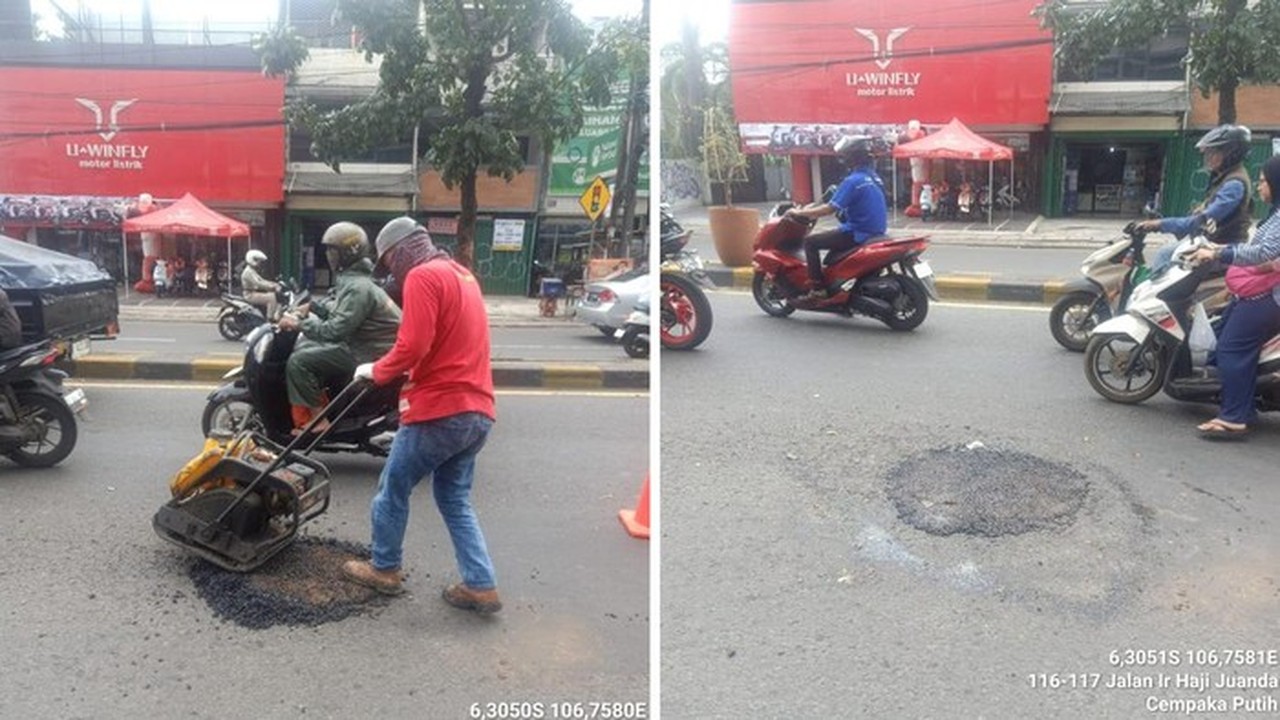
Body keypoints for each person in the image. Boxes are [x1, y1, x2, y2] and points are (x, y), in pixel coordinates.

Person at [341, 216, 500, 614]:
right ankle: (480, 584)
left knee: (392, 487)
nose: (391, 271)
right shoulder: (462, 275)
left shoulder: (423, 277)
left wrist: (375, 371)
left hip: (440, 410)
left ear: (402, 251)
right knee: (454, 497)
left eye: (390, 261)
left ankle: (384, 568)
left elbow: (413, 345)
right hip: (478, 411)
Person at [1185, 155, 1280, 439]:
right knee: (1222, 331)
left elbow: (1264, 253)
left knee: (1232, 349)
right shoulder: (1275, 214)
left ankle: (1235, 417)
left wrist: (1218, 253)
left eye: (1264, 181)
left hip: (1270, 297)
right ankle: (1238, 400)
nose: (1260, 186)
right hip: (1262, 287)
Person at [276, 222, 401, 432]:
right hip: (371, 346)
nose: (329, 256)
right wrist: (313, 307)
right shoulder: (356, 280)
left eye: (333, 251)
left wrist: (298, 323)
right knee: (307, 347)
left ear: (348, 254)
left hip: (367, 352)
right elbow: (342, 311)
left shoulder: (357, 287)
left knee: (299, 362)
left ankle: (318, 420)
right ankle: (326, 405)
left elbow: (335, 331)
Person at [785, 135, 888, 302]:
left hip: (858, 232)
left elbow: (828, 209)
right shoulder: (874, 178)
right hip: (876, 231)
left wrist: (798, 213)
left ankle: (817, 289)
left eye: (845, 156)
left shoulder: (853, 181)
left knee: (810, 242)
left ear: (851, 158)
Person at [1138, 124, 1254, 271]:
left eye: (1213, 152)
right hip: (1210, 242)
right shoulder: (1223, 178)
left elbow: (1202, 220)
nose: (1207, 157)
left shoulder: (1234, 184)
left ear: (1231, 153)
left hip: (1224, 246)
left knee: (1165, 254)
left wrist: (1160, 224)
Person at [241, 249, 281, 321]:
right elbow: (258, 283)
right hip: (250, 295)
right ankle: (270, 319)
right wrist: (272, 287)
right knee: (272, 297)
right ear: (253, 260)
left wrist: (273, 284)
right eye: (258, 260)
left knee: (271, 294)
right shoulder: (248, 272)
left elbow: (262, 280)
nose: (260, 263)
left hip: (253, 293)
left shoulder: (251, 270)